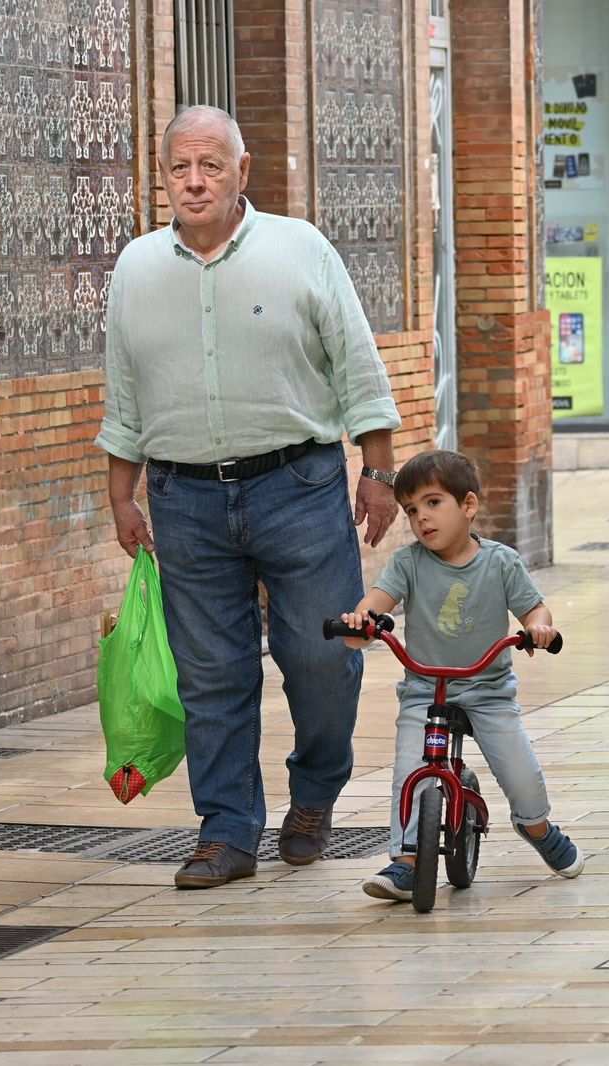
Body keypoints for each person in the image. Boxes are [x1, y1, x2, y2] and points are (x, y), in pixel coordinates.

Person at [97, 106, 401, 890]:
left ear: (243, 169)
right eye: (178, 168)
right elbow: (124, 394)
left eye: (211, 165)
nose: (194, 181)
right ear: (161, 175)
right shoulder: (135, 266)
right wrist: (122, 495)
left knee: (324, 657)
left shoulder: (301, 249)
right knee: (210, 674)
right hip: (184, 496)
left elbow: (355, 361)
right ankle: (226, 831)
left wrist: (378, 467)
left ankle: (314, 794)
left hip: (297, 484)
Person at [336, 451, 582, 902]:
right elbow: (376, 602)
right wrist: (361, 621)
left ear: (468, 505)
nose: (421, 518)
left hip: (487, 690)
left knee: (520, 770)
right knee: (409, 768)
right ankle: (405, 861)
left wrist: (538, 628)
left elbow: (534, 608)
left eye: (433, 503)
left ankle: (537, 825)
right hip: (424, 693)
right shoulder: (409, 564)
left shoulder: (501, 562)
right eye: (411, 510)